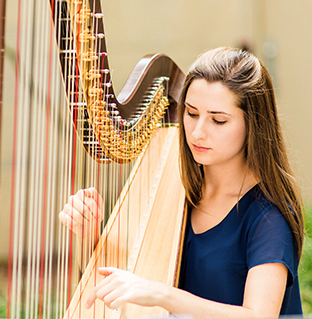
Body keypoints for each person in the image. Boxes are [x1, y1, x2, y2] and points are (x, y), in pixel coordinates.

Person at [59, 47, 305, 318]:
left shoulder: (268, 217)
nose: (198, 132)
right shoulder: (178, 192)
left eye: (218, 120)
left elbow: (259, 315)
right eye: (191, 113)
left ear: (253, 125)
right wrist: (90, 235)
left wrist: (162, 295)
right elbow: (115, 286)